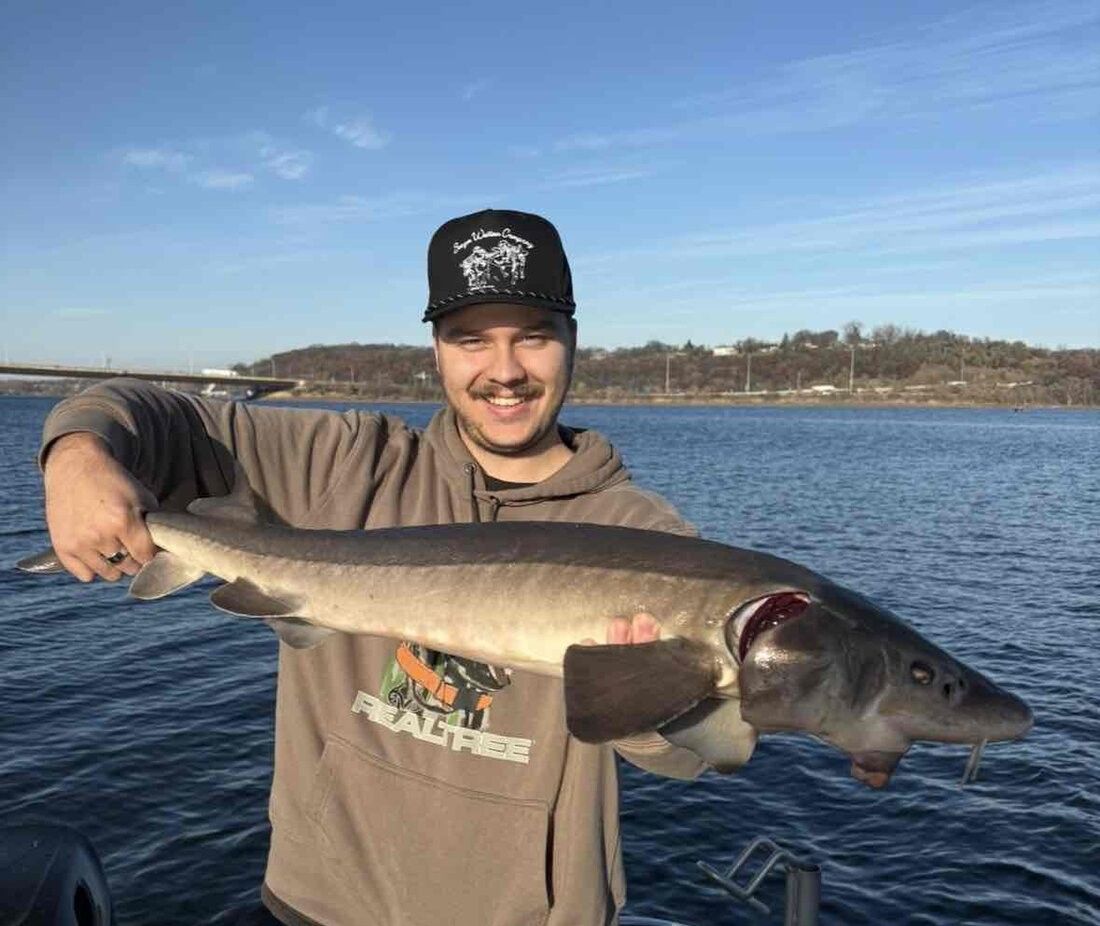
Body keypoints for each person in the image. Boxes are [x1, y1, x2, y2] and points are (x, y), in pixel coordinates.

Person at [38, 209, 756, 926]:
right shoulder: (344, 462)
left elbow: (696, 755)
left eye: (533, 337)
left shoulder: (643, 539)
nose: (504, 372)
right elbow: (139, 408)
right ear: (437, 349)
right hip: (316, 900)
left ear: (573, 341)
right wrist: (77, 457)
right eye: (470, 340)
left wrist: (644, 702)